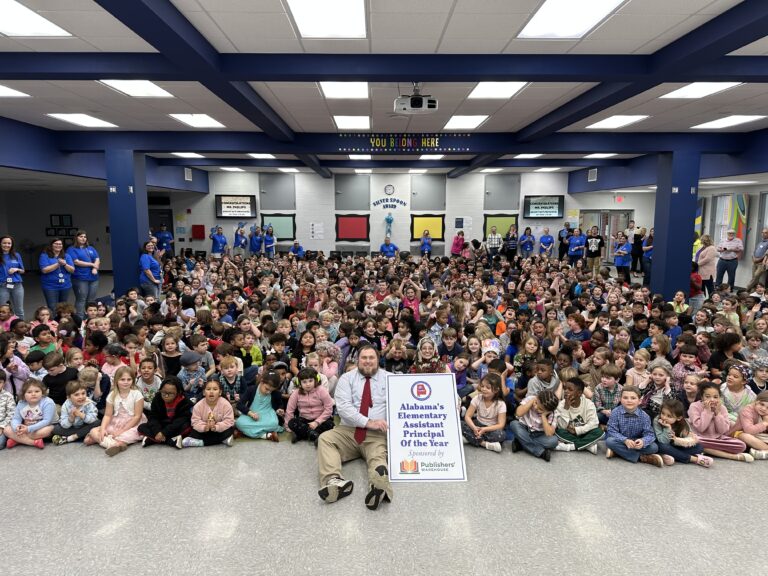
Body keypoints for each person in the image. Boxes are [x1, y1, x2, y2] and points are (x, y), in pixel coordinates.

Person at [317, 345, 392, 510]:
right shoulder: (346, 378)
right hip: (348, 431)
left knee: (377, 457)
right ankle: (335, 481)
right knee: (326, 439)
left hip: (376, 434)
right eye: (363, 358)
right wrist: (368, 422)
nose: (367, 361)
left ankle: (378, 486)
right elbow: (343, 407)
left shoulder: (390, 378)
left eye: (371, 358)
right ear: (358, 360)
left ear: (378, 360)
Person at [688, 380, 753, 462]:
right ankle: (730, 456)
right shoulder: (694, 406)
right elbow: (701, 428)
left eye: (715, 397)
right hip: (700, 437)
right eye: (707, 396)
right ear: (701, 397)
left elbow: (723, 430)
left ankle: (706, 450)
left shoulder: (722, 408)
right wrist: (707, 412)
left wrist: (717, 413)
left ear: (719, 397)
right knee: (695, 441)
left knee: (741, 445)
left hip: (718, 439)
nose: (712, 399)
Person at [87, 366, 145, 456]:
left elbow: (137, 416)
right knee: (93, 430)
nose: (126, 382)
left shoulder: (137, 394)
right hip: (116, 421)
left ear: (133, 380)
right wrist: (102, 429)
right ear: (116, 380)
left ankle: (108, 442)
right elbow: (107, 415)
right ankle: (114, 444)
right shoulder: (112, 395)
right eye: (122, 379)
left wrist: (121, 431)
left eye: (129, 379)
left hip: (132, 423)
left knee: (125, 436)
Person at [605, 385, 663, 467]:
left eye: (633, 398)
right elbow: (611, 430)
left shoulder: (644, 416)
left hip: (635, 441)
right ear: (620, 399)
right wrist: (625, 440)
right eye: (625, 398)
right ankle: (641, 457)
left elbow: (649, 434)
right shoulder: (615, 412)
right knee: (609, 441)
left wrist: (643, 441)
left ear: (639, 401)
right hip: (621, 440)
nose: (629, 401)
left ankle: (617, 452)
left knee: (654, 447)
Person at [653, 398, 712, 467]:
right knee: (661, 446)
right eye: (663, 413)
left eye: (669, 416)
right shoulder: (657, 420)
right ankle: (694, 459)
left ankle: (671, 455)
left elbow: (690, 439)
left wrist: (677, 440)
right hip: (664, 444)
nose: (664, 417)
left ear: (678, 418)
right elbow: (663, 441)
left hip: (677, 446)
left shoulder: (683, 423)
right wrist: (667, 428)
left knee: (699, 447)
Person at [554, 376, 604, 454]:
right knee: (559, 432)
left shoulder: (588, 404)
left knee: (599, 432)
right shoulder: (561, 405)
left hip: (585, 433)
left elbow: (594, 423)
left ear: (579, 393)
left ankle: (572, 446)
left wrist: (577, 430)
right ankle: (587, 446)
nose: (566, 391)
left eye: (570, 389)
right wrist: (566, 408)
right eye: (565, 388)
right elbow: (562, 426)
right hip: (569, 434)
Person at [285, 367, 334, 445]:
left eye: (310, 381)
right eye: (304, 382)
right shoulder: (296, 393)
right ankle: (314, 435)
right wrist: (289, 427)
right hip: (305, 420)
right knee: (292, 423)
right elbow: (290, 410)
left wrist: (317, 422)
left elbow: (329, 408)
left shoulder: (322, 390)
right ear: (299, 383)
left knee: (330, 424)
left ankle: (302, 434)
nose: (308, 384)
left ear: (316, 380)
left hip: (320, 419)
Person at [182, 377, 235, 448]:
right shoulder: (198, 405)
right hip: (204, 431)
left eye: (215, 389)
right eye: (208, 389)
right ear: (204, 392)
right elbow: (195, 422)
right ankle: (223, 440)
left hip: (219, 430)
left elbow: (229, 421)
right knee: (194, 431)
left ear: (220, 392)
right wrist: (204, 427)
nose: (211, 392)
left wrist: (216, 427)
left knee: (230, 430)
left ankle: (200, 442)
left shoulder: (226, 404)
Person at [3, 379, 55, 449]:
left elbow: (47, 421)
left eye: (37, 391)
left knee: (43, 431)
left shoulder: (48, 402)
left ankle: (17, 439)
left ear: (42, 392)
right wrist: (17, 428)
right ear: (24, 395)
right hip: (27, 428)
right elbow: (16, 419)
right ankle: (34, 442)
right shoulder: (21, 403)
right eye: (29, 392)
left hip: (45, 426)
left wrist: (29, 429)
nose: (33, 394)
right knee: (6, 429)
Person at [461, 373, 506, 453]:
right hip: (477, 424)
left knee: (501, 435)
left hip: (490, 428)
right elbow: (467, 416)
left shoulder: (501, 404)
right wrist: (474, 428)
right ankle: (484, 443)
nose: (484, 389)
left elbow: (501, 425)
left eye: (488, 387)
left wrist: (484, 429)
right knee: (459, 423)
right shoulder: (477, 398)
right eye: (482, 386)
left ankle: (470, 438)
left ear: (496, 390)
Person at [510, 389, 559, 461]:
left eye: (540, 409)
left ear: (548, 410)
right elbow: (518, 413)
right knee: (513, 424)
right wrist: (532, 401)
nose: (535, 407)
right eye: (536, 403)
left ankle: (521, 443)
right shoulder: (531, 399)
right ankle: (541, 452)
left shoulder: (553, 413)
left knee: (554, 441)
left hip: (538, 434)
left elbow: (549, 433)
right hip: (524, 429)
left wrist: (543, 415)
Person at [235, 370, 282, 440]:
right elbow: (239, 405)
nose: (268, 392)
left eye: (271, 391)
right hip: (252, 414)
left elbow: (280, 404)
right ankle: (266, 435)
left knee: (274, 424)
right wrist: (250, 413)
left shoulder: (276, 393)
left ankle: (244, 433)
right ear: (262, 381)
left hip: (267, 415)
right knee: (239, 423)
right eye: (267, 389)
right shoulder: (251, 389)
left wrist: (279, 410)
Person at [51, 380, 100, 445]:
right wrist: (71, 419)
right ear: (69, 397)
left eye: (83, 393)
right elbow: (63, 424)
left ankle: (72, 437)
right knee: (55, 429)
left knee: (98, 422)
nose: (81, 397)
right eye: (76, 395)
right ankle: (82, 435)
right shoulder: (66, 405)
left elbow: (92, 419)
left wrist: (82, 415)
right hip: (72, 428)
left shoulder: (89, 403)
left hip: (85, 426)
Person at [67, 230, 100, 318]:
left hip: (93, 278)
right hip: (80, 278)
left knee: (91, 300)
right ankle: (80, 319)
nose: (83, 238)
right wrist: (92, 265)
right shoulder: (71, 249)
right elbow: (76, 262)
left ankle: (90, 318)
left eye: (85, 237)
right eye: (81, 236)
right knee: (81, 299)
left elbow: (97, 259)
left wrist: (95, 268)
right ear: (76, 238)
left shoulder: (90, 248)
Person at [39, 238, 74, 311]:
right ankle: (53, 322)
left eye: (60, 244)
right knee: (52, 307)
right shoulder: (44, 255)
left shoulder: (67, 256)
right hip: (50, 286)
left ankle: (62, 322)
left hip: (65, 285)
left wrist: (65, 264)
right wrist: (58, 264)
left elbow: (72, 270)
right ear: (51, 245)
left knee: (63, 307)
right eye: (56, 244)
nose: (58, 245)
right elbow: (44, 270)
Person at [0, 235, 25, 320]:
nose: (6, 245)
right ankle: (3, 330)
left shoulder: (16, 255)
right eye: (4, 243)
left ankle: (20, 330)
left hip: (17, 285)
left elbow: (23, 270)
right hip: (2, 286)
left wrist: (16, 269)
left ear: (12, 245)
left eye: (9, 243)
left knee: (19, 310)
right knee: (3, 310)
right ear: (0, 244)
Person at [746, 227, 768, 292]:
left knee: (756, 276)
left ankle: (747, 289)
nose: (764, 234)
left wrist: (759, 259)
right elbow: (754, 251)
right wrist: (753, 258)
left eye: (766, 233)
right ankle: (752, 292)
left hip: (762, 263)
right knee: (754, 278)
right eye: (763, 232)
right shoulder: (760, 242)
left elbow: (766, 254)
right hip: (755, 262)